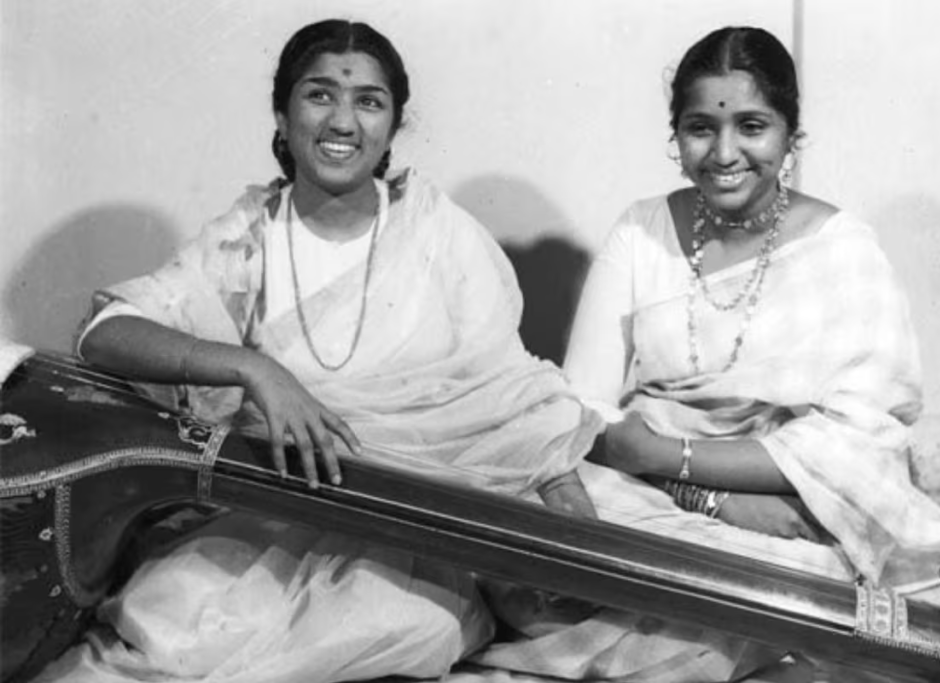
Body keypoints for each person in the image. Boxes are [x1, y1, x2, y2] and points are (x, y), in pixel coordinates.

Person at [32, 19, 601, 683]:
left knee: (414, 625)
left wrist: (573, 522)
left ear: (394, 124)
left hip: (421, 530)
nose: (343, 121)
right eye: (320, 94)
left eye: (369, 101)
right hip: (275, 522)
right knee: (177, 631)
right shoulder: (248, 238)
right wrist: (255, 369)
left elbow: (513, 398)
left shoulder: (436, 232)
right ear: (282, 113)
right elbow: (105, 332)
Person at [466, 25, 940, 683]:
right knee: (530, 517)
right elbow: (583, 410)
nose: (724, 153)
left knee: (803, 572)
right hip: (649, 494)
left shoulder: (844, 249)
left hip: (794, 502)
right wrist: (708, 496)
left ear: (790, 134)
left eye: (752, 126)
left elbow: (854, 441)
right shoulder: (642, 230)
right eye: (701, 128)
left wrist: (666, 456)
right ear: (677, 135)